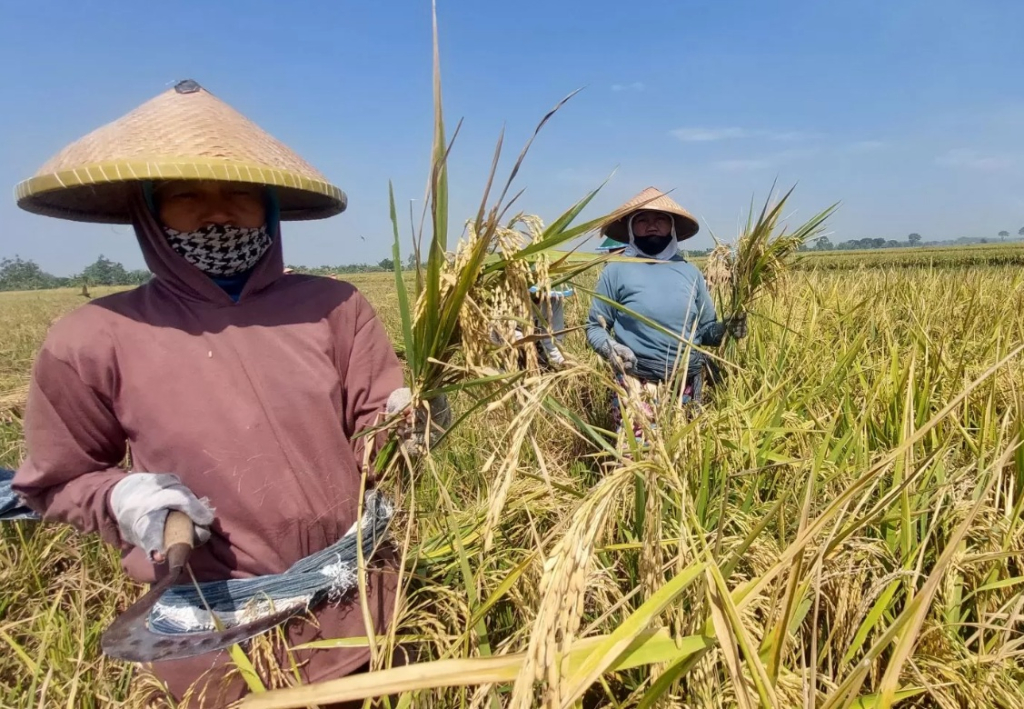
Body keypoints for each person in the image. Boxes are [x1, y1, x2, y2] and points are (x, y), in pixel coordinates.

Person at [11, 79, 445, 707]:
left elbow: (378, 431)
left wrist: (414, 420)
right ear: (148, 212)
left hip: (357, 602)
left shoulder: (334, 307)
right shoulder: (94, 335)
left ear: (269, 206)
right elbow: (55, 482)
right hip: (215, 629)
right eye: (186, 196)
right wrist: (122, 497)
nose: (217, 213)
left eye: (240, 194)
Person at [586, 187, 747, 433]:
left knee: (681, 454)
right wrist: (612, 349)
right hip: (637, 382)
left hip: (685, 384)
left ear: (672, 227)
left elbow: (705, 331)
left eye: (660, 219)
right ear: (630, 227)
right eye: (642, 220)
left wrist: (727, 328)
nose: (652, 226)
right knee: (637, 457)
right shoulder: (616, 270)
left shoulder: (690, 273)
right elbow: (595, 327)